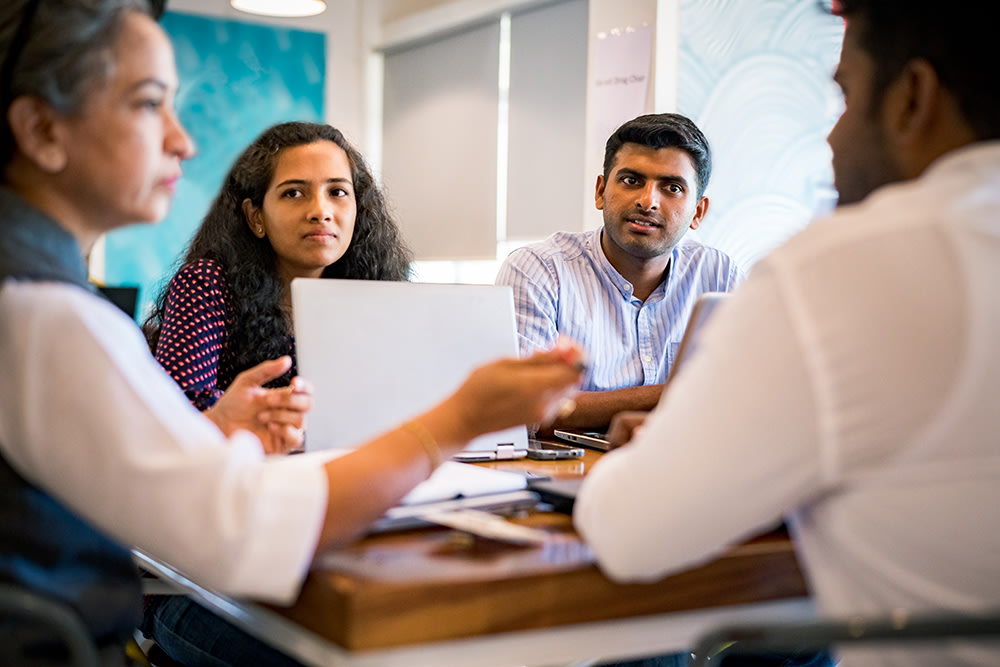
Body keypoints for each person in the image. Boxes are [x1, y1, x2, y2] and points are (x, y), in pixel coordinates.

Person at [0, 2, 583, 665]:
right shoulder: (47, 315)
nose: (182, 141)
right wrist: (462, 416)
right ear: (42, 129)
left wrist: (219, 428)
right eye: (147, 103)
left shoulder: (34, 298)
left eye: (339, 192)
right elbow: (240, 528)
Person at [575, 1, 1000, 666]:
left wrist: (637, 456)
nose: (830, 138)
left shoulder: (843, 266)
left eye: (845, 94)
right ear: (601, 189)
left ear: (912, 98)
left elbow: (632, 534)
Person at [142, 121, 411, 439]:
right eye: (294, 193)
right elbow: (176, 406)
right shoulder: (206, 283)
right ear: (256, 216)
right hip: (241, 475)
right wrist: (274, 410)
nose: (320, 211)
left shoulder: (376, 289)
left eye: (337, 192)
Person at [495, 113, 743, 433]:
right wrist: (677, 392)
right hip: (567, 474)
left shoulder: (720, 276)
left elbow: (744, 394)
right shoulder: (538, 271)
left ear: (698, 211)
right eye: (631, 180)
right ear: (600, 191)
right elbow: (524, 410)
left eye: (672, 187)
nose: (647, 201)